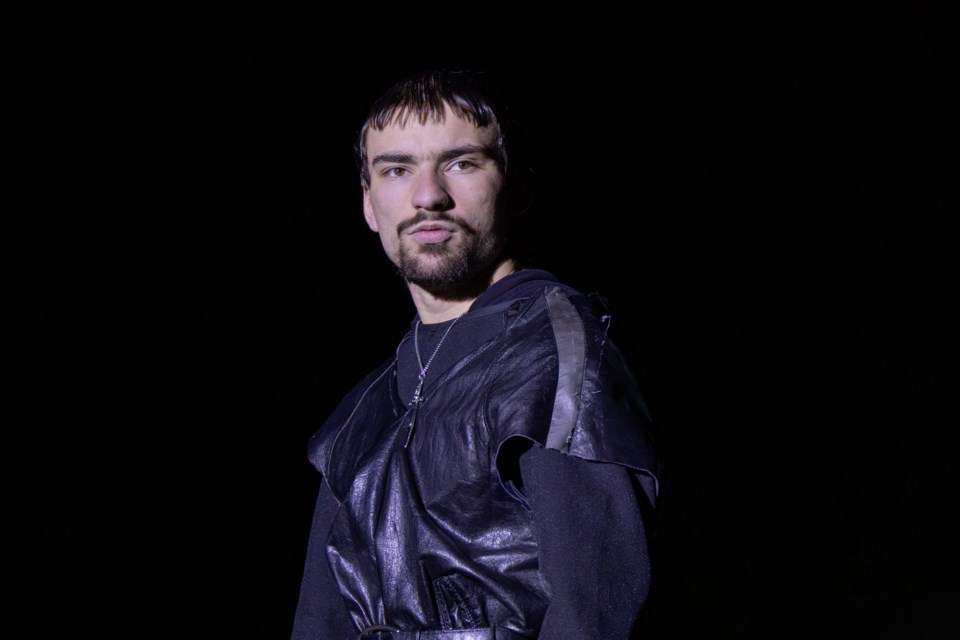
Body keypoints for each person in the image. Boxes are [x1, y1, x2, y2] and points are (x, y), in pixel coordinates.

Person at [290, 68, 664, 640]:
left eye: (462, 163)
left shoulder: (557, 352)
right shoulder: (357, 416)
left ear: (514, 184)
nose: (427, 196)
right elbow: (319, 622)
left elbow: (592, 616)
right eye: (396, 169)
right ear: (369, 204)